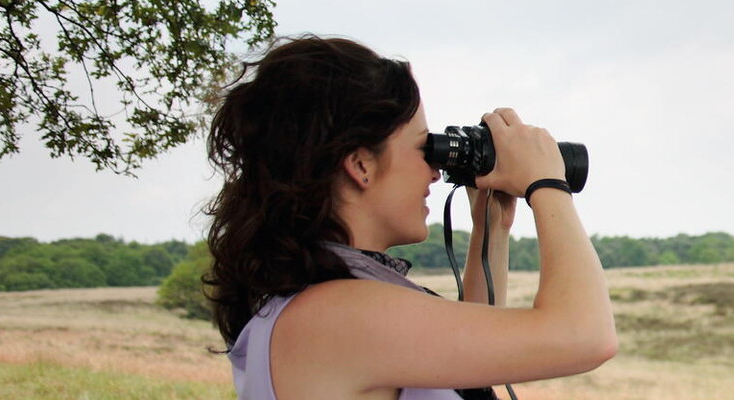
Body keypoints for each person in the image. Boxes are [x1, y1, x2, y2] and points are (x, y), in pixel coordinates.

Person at [203, 35, 616, 400]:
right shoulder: (341, 314)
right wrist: (546, 183)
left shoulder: (315, 305)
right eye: (422, 149)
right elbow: (584, 337)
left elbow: (466, 368)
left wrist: (492, 227)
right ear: (361, 164)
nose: (434, 171)